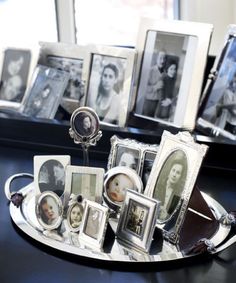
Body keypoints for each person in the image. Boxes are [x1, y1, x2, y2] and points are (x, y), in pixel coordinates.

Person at [153, 150, 187, 221]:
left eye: (178, 173)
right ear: (169, 171)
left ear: (180, 177)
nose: (174, 175)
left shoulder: (178, 194)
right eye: (173, 170)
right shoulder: (158, 186)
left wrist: (167, 216)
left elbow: (174, 214)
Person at [142, 50, 167, 117]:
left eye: (164, 58)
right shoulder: (150, 71)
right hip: (149, 102)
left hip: (160, 104)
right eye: (160, 58)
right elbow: (143, 88)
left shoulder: (165, 74)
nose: (162, 61)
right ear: (156, 59)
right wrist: (155, 87)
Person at [215, 70, 236, 134]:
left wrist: (221, 106)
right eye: (234, 77)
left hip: (231, 124)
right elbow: (218, 108)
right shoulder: (228, 91)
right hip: (224, 121)